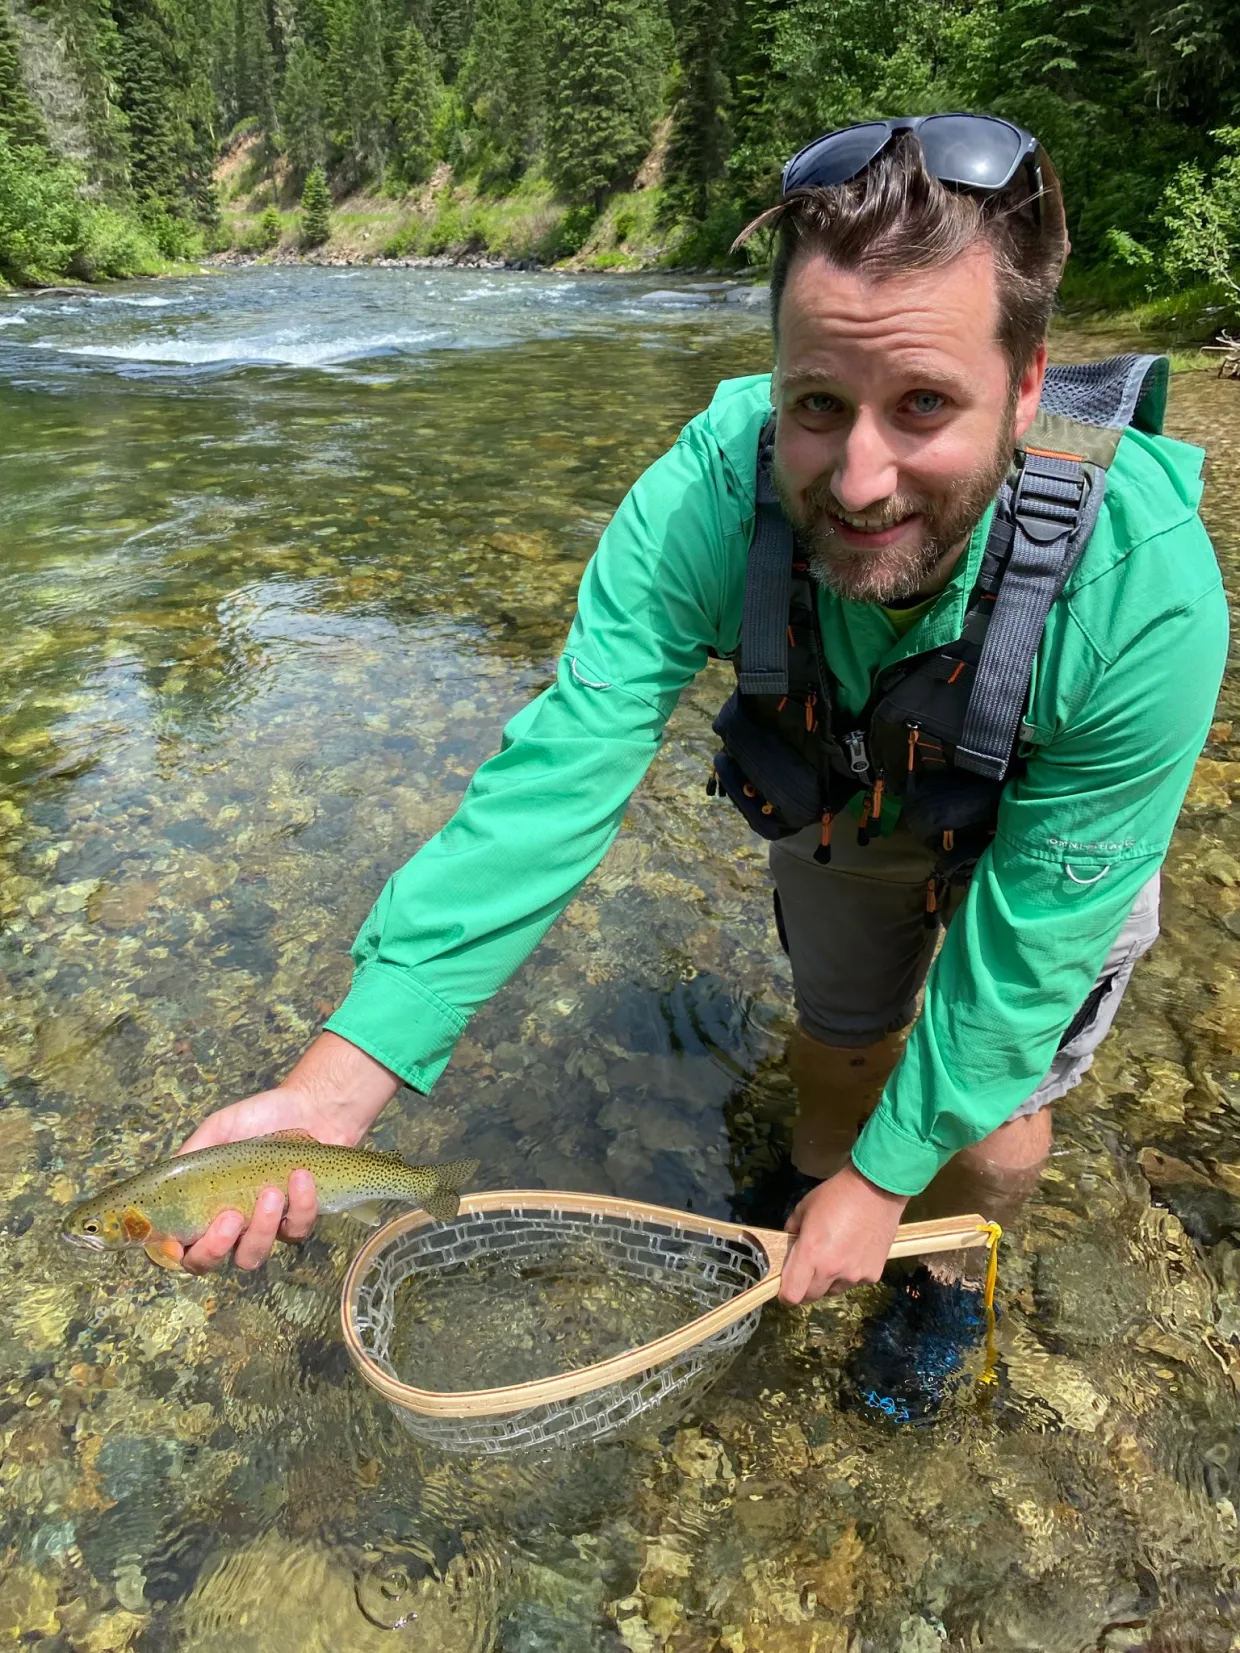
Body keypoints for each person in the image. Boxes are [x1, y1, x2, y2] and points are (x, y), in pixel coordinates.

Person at [172, 116, 1227, 1392]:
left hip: (1053, 825)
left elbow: (1025, 962)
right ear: (773, 374)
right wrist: (342, 1082)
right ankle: (808, 1203)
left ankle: (943, 1272)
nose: (859, 477)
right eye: (817, 405)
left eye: (926, 405)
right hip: (852, 799)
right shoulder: (702, 496)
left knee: (996, 1128)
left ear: (1027, 381)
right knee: (838, 1051)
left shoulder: (1143, 592)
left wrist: (894, 1183)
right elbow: (560, 771)